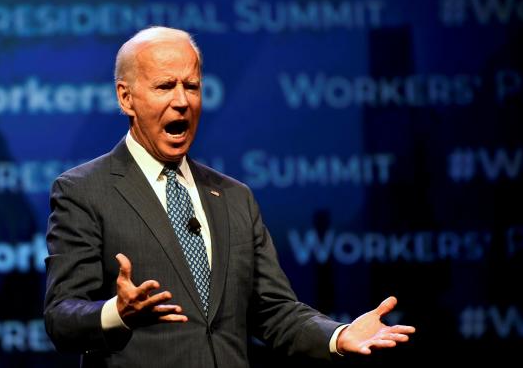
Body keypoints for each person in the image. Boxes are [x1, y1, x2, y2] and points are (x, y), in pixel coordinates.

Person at [43, 27, 415, 367]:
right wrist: (117, 313)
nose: (182, 101)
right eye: (164, 87)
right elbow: (61, 317)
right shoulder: (84, 191)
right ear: (126, 98)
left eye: (191, 86)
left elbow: (274, 311)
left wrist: (336, 335)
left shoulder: (235, 198)